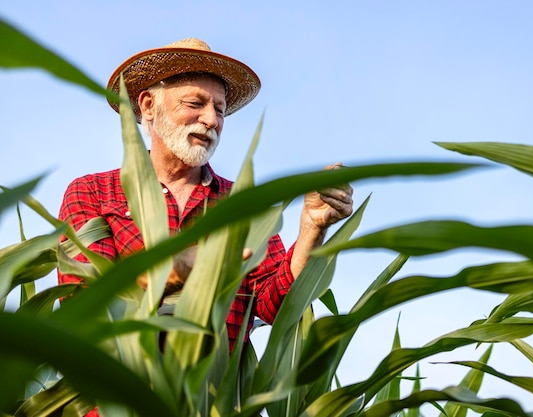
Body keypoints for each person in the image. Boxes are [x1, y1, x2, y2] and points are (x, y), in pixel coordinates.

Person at [57, 38, 354, 353]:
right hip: (117, 397)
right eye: (195, 104)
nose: (211, 120)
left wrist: (312, 227)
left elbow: (275, 308)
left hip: (212, 400)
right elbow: (84, 303)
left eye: (220, 110)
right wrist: (179, 268)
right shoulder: (93, 192)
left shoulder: (243, 207)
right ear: (147, 106)